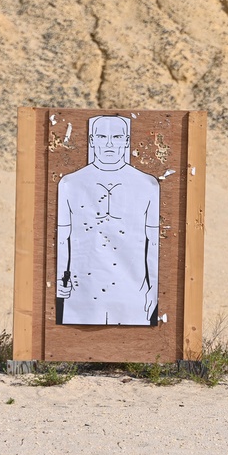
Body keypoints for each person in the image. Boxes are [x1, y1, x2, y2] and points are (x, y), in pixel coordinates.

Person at [56, 115, 160, 326]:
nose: (110, 144)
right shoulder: (70, 184)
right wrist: (60, 278)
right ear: (92, 140)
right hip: (82, 290)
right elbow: (62, 237)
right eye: (103, 136)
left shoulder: (147, 185)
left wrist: (153, 288)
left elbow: (154, 242)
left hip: (131, 291)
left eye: (116, 137)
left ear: (127, 140)